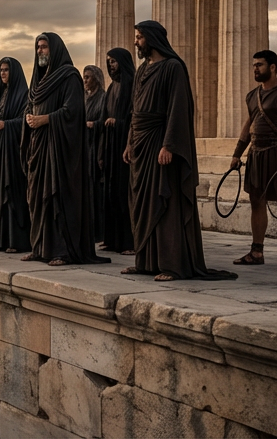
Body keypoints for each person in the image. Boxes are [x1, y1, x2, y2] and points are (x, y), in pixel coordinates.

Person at [122, 20, 235, 281]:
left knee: (166, 202)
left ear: (151, 38)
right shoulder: (141, 70)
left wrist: (169, 144)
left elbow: (178, 109)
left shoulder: (173, 67)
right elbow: (135, 111)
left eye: (140, 37)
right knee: (142, 204)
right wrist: (129, 141)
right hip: (140, 143)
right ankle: (146, 261)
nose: (136, 42)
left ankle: (171, 265)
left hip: (159, 141)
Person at [22, 33, 108, 266]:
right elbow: (32, 105)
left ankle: (62, 251)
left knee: (57, 198)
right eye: (38, 47)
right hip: (39, 147)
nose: (40, 51)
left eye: (44, 47)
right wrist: (29, 119)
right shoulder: (38, 81)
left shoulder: (69, 76)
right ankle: (40, 247)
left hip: (60, 150)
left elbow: (72, 112)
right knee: (37, 198)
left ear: (55, 49)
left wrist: (45, 119)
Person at [229, 50, 277, 272]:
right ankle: (256, 252)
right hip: (256, 153)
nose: (255, 69)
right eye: (254, 65)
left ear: (273, 67)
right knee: (256, 202)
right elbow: (248, 126)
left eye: (259, 65)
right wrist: (237, 154)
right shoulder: (252, 95)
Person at [0, 57, 30, 253]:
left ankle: (16, 240)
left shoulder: (23, 95)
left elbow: (25, 122)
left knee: (12, 193)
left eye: (6, 70)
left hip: (13, 153)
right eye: (1, 70)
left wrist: (5, 125)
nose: (3, 73)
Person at [100, 48, 136, 254]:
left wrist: (118, 123)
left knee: (124, 194)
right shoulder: (112, 86)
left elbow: (134, 117)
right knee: (111, 193)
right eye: (109, 61)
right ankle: (112, 239)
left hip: (125, 144)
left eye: (113, 61)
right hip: (111, 146)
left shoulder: (131, 85)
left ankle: (128, 242)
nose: (111, 65)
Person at [83, 65, 107, 243]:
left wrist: (94, 125)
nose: (85, 81)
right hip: (84, 147)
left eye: (88, 77)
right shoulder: (83, 98)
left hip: (97, 147)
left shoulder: (103, 98)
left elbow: (104, 119)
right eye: (84, 77)